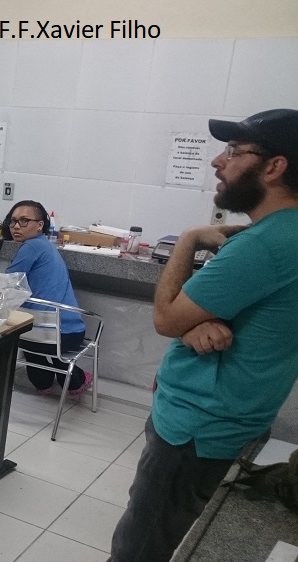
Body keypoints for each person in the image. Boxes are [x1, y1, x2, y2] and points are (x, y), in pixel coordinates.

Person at [109, 108, 298, 562]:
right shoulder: (283, 234)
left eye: (233, 151)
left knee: (139, 549)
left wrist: (189, 239)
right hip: (239, 415)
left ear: (274, 166)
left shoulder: (263, 245)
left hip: (196, 429)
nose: (218, 161)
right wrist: (198, 323)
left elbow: (165, 319)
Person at [3, 200, 92, 396]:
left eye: (24, 221)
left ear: (40, 225)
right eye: (13, 221)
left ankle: (43, 384)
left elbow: (7, 283)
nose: (16, 226)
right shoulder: (45, 246)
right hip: (67, 336)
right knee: (53, 350)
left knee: (21, 331)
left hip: (36, 335)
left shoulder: (32, 247)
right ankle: (74, 383)